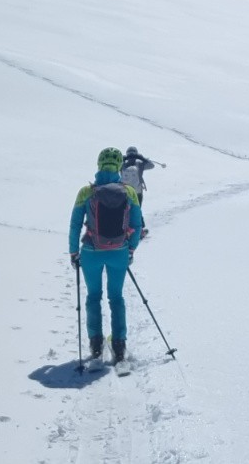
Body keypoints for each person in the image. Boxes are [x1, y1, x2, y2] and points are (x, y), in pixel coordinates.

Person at [69, 147, 144, 362]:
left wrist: (74, 252)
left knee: (93, 296)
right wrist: (130, 249)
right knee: (116, 297)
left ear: (99, 165)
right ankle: (119, 344)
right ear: (118, 166)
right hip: (118, 252)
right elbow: (136, 225)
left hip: (92, 252)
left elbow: (75, 225)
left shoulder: (86, 192)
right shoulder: (129, 191)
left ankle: (95, 343)